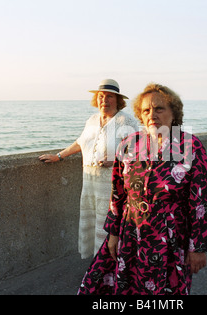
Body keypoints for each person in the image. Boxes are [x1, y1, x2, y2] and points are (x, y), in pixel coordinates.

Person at [78, 83, 207, 295]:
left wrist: (198, 248)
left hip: (168, 238)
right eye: (146, 110)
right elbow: (118, 195)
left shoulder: (189, 145)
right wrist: (113, 234)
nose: (152, 115)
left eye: (159, 108)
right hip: (130, 232)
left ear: (173, 112)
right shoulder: (129, 144)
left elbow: (201, 202)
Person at [39, 79, 138, 259]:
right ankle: (97, 265)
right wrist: (58, 156)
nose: (104, 100)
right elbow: (80, 142)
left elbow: (136, 151)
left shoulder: (126, 120)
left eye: (109, 96)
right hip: (90, 184)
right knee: (93, 224)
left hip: (111, 186)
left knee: (109, 226)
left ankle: (111, 268)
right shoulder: (92, 120)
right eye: (101, 96)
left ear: (117, 100)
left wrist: (116, 159)